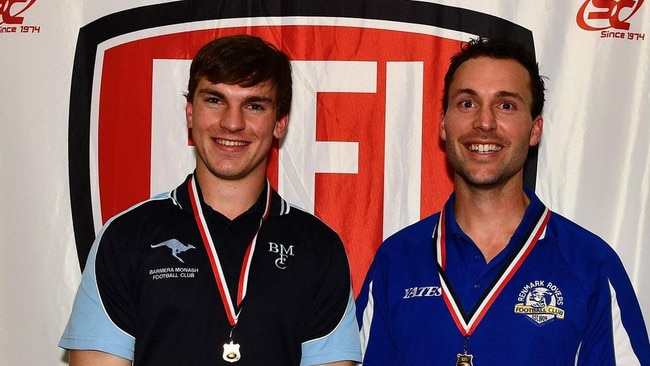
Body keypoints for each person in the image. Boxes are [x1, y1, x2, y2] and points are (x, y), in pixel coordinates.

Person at [59, 34, 362, 366]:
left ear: (280, 123)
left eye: (254, 105)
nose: (232, 123)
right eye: (215, 100)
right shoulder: (126, 237)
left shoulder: (318, 247)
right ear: (190, 113)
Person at [356, 37, 650, 365]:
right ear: (443, 124)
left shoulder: (590, 265)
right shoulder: (396, 261)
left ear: (535, 129)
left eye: (506, 105)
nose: (484, 122)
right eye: (467, 103)